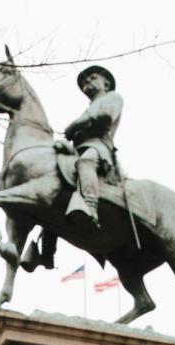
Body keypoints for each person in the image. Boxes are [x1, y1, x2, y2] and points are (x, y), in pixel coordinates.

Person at [62, 65, 123, 225]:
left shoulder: (113, 97)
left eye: (93, 78)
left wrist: (74, 125)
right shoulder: (88, 108)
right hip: (78, 149)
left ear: (106, 84)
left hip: (98, 147)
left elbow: (104, 117)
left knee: (86, 162)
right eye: (84, 82)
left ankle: (90, 205)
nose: (87, 82)